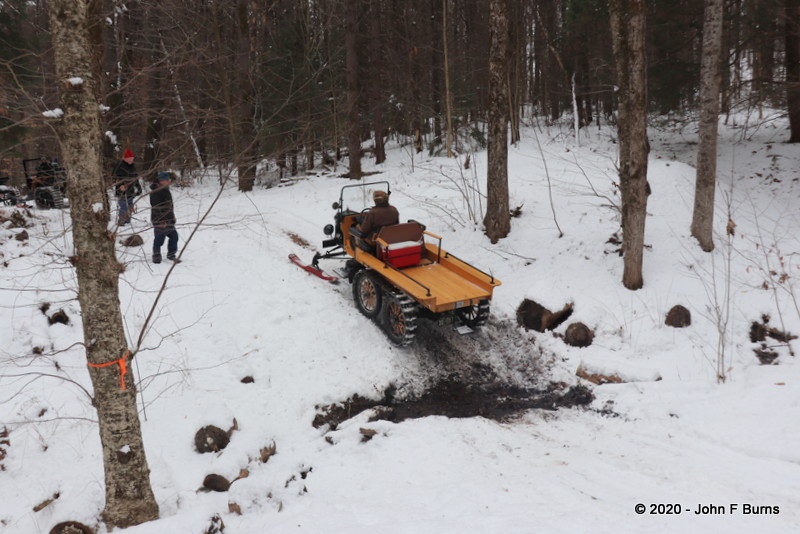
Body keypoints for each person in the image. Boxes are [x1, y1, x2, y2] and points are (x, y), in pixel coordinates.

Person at [150, 171, 179, 263]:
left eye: (168, 180)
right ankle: (156, 255)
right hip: (159, 219)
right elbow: (156, 207)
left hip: (168, 218)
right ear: (161, 181)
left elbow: (169, 206)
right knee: (159, 238)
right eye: (166, 180)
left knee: (174, 236)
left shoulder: (166, 189)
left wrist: (172, 216)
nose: (168, 181)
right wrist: (161, 220)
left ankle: (171, 254)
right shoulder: (156, 191)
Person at [112, 149, 141, 225]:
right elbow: (114, 176)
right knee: (123, 206)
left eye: (132, 159)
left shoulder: (132, 166)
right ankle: (121, 220)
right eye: (130, 159)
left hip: (130, 190)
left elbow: (135, 178)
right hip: (121, 190)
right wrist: (121, 185)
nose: (131, 160)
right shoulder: (120, 165)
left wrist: (138, 187)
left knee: (130, 205)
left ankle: (127, 219)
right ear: (125, 158)